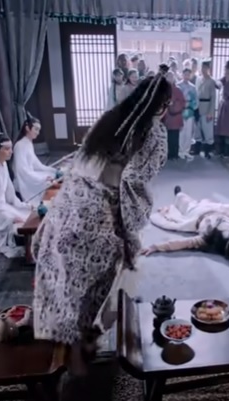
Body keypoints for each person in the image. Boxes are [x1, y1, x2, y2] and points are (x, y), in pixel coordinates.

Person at [31, 65, 172, 375]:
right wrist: (131, 230)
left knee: (65, 282)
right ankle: (84, 354)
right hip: (101, 218)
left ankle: (62, 353)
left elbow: (80, 164)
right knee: (109, 282)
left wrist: (54, 213)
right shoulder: (154, 131)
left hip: (69, 208)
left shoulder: (109, 118)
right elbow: (135, 180)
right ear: (162, 106)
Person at [12, 116, 58, 202]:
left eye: (39, 130)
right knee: (46, 182)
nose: (38, 133)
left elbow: (37, 165)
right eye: (36, 129)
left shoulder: (28, 143)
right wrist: (42, 179)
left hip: (29, 175)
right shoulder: (20, 145)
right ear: (27, 128)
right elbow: (22, 171)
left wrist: (54, 170)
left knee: (51, 175)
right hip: (23, 178)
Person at [192, 60, 217, 159]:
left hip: (207, 107)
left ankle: (208, 151)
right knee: (197, 130)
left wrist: (211, 112)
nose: (203, 70)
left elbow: (213, 98)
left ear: (208, 69)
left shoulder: (211, 81)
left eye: (205, 68)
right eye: (202, 68)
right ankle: (197, 149)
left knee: (207, 130)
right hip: (198, 106)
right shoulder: (198, 79)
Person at [163, 71, 186, 160]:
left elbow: (183, 102)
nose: (170, 79)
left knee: (175, 136)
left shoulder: (178, 90)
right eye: (168, 77)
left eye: (171, 77)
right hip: (166, 115)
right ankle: (168, 154)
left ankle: (174, 154)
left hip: (176, 116)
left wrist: (174, 104)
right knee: (167, 136)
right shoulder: (162, 90)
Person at [177, 68, 198, 161]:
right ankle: (180, 151)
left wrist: (192, 106)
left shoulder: (193, 87)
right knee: (182, 131)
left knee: (189, 132)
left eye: (188, 75)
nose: (186, 76)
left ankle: (186, 151)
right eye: (185, 74)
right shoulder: (178, 86)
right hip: (180, 111)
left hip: (190, 111)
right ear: (182, 75)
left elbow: (196, 100)